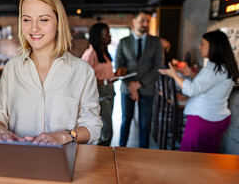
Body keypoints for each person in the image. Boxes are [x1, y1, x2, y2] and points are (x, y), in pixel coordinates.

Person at [0, 0, 102, 145]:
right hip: (17, 161)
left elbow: (92, 126)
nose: (34, 28)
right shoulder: (12, 69)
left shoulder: (82, 71)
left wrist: (64, 135)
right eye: (27, 19)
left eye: (43, 19)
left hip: (63, 163)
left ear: (58, 22)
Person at [159, 30, 239, 153]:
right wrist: (190, 73)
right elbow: (210, 85)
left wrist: (174, 75)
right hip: (220, 119)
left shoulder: (212, 69)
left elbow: (191, 90)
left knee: (188, 159)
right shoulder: (225, 65)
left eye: (203, 44)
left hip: (203, 120)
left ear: (213, 47)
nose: (199, 47)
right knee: (208, 160)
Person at [115, 10, 163, 148]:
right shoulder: (124, 42)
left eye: (148, 21)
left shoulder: (155, 42)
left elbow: (158, 67)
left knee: (145, 124)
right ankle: (119, 151)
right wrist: (131, 85)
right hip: (126, 87)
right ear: (134, 21)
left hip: (147, 88)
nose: (145, 24)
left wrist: (140, 84)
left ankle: (143, 154)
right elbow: (119, 66)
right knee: (125, 121)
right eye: (142, 20)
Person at [82, 23, 116, 146]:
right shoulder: (90, 54)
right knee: (107, 132)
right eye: (106, 34)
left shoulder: (105, 53)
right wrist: (106, 81)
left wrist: (116, 75)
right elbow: (84, 80)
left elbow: (104, 74)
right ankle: (100, 160)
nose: (110, 36)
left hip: (110, 91)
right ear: (98, 36)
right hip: (100, 94)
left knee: (105, 131)